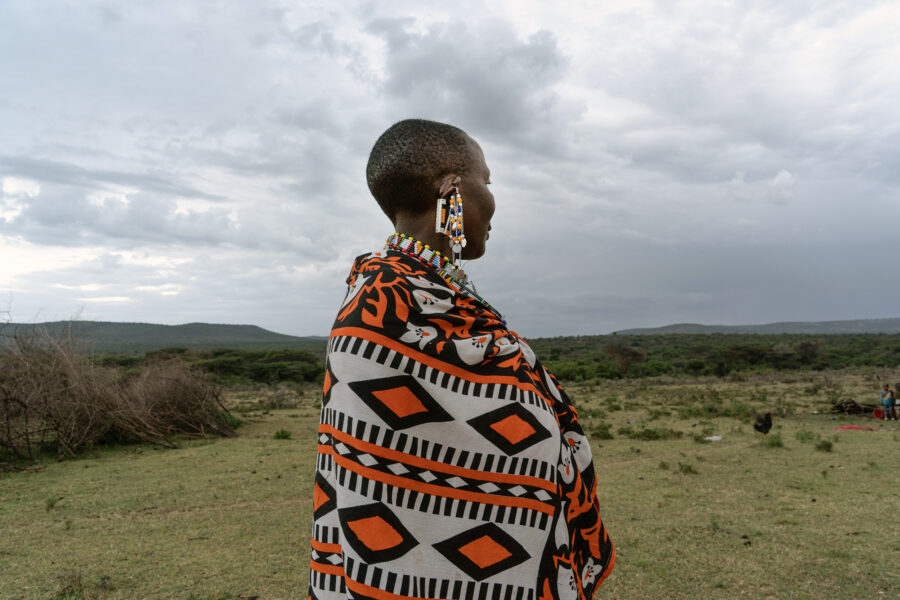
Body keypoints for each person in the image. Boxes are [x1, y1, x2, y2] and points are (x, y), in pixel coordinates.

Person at [308, 119, 614, 600]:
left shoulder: (439, 293)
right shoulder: (378, 306)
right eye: (486, 180)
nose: (492, 200)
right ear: (451, 188)